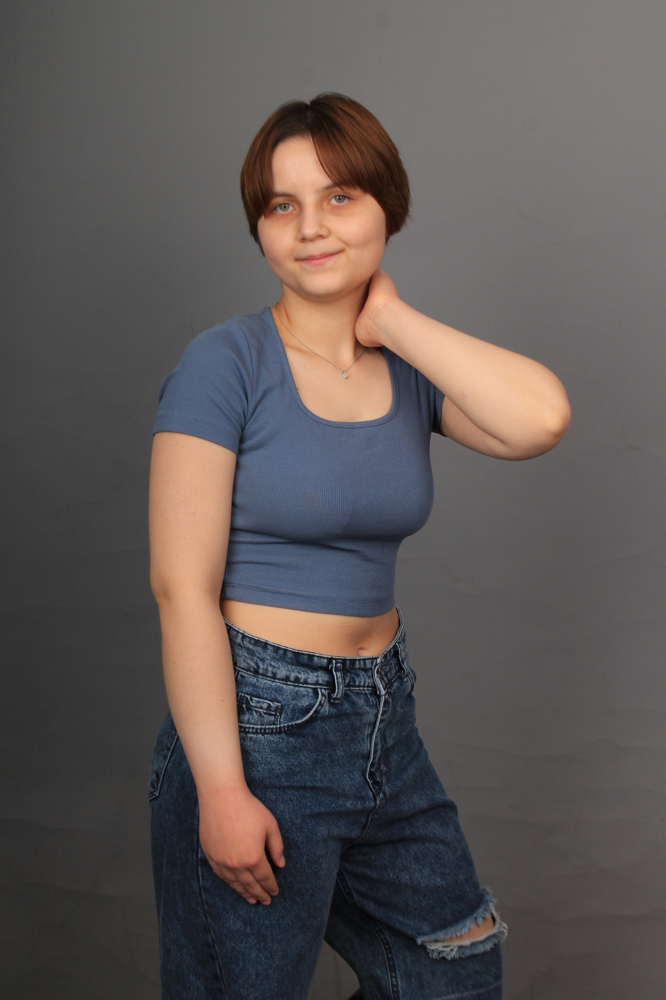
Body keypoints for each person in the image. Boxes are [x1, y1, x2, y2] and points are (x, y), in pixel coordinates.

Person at [148, 93, 571, 1000]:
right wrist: (220, 788)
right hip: (259, 723)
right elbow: (181, 587)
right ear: (260, 227)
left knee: (453, 969)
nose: (311, 227)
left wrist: (393, 323)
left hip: (383, 714)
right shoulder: (226, 363)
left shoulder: (411, 371)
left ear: (388, 205)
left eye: (339, 197)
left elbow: (540, 419)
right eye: (282, 205)